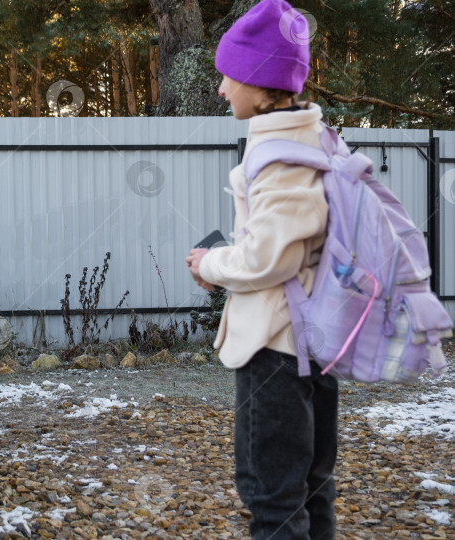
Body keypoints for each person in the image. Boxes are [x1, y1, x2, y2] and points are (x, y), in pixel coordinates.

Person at [186, 1, 337, 538]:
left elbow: (272, 258)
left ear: (259, 80)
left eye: (229, 77)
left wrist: (213, 262)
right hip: (311, 341)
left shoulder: (280, 154)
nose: (223, 90)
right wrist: (225, 272)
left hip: (277, 350)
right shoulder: (313, 142)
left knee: (273, 497)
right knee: (311, 490)